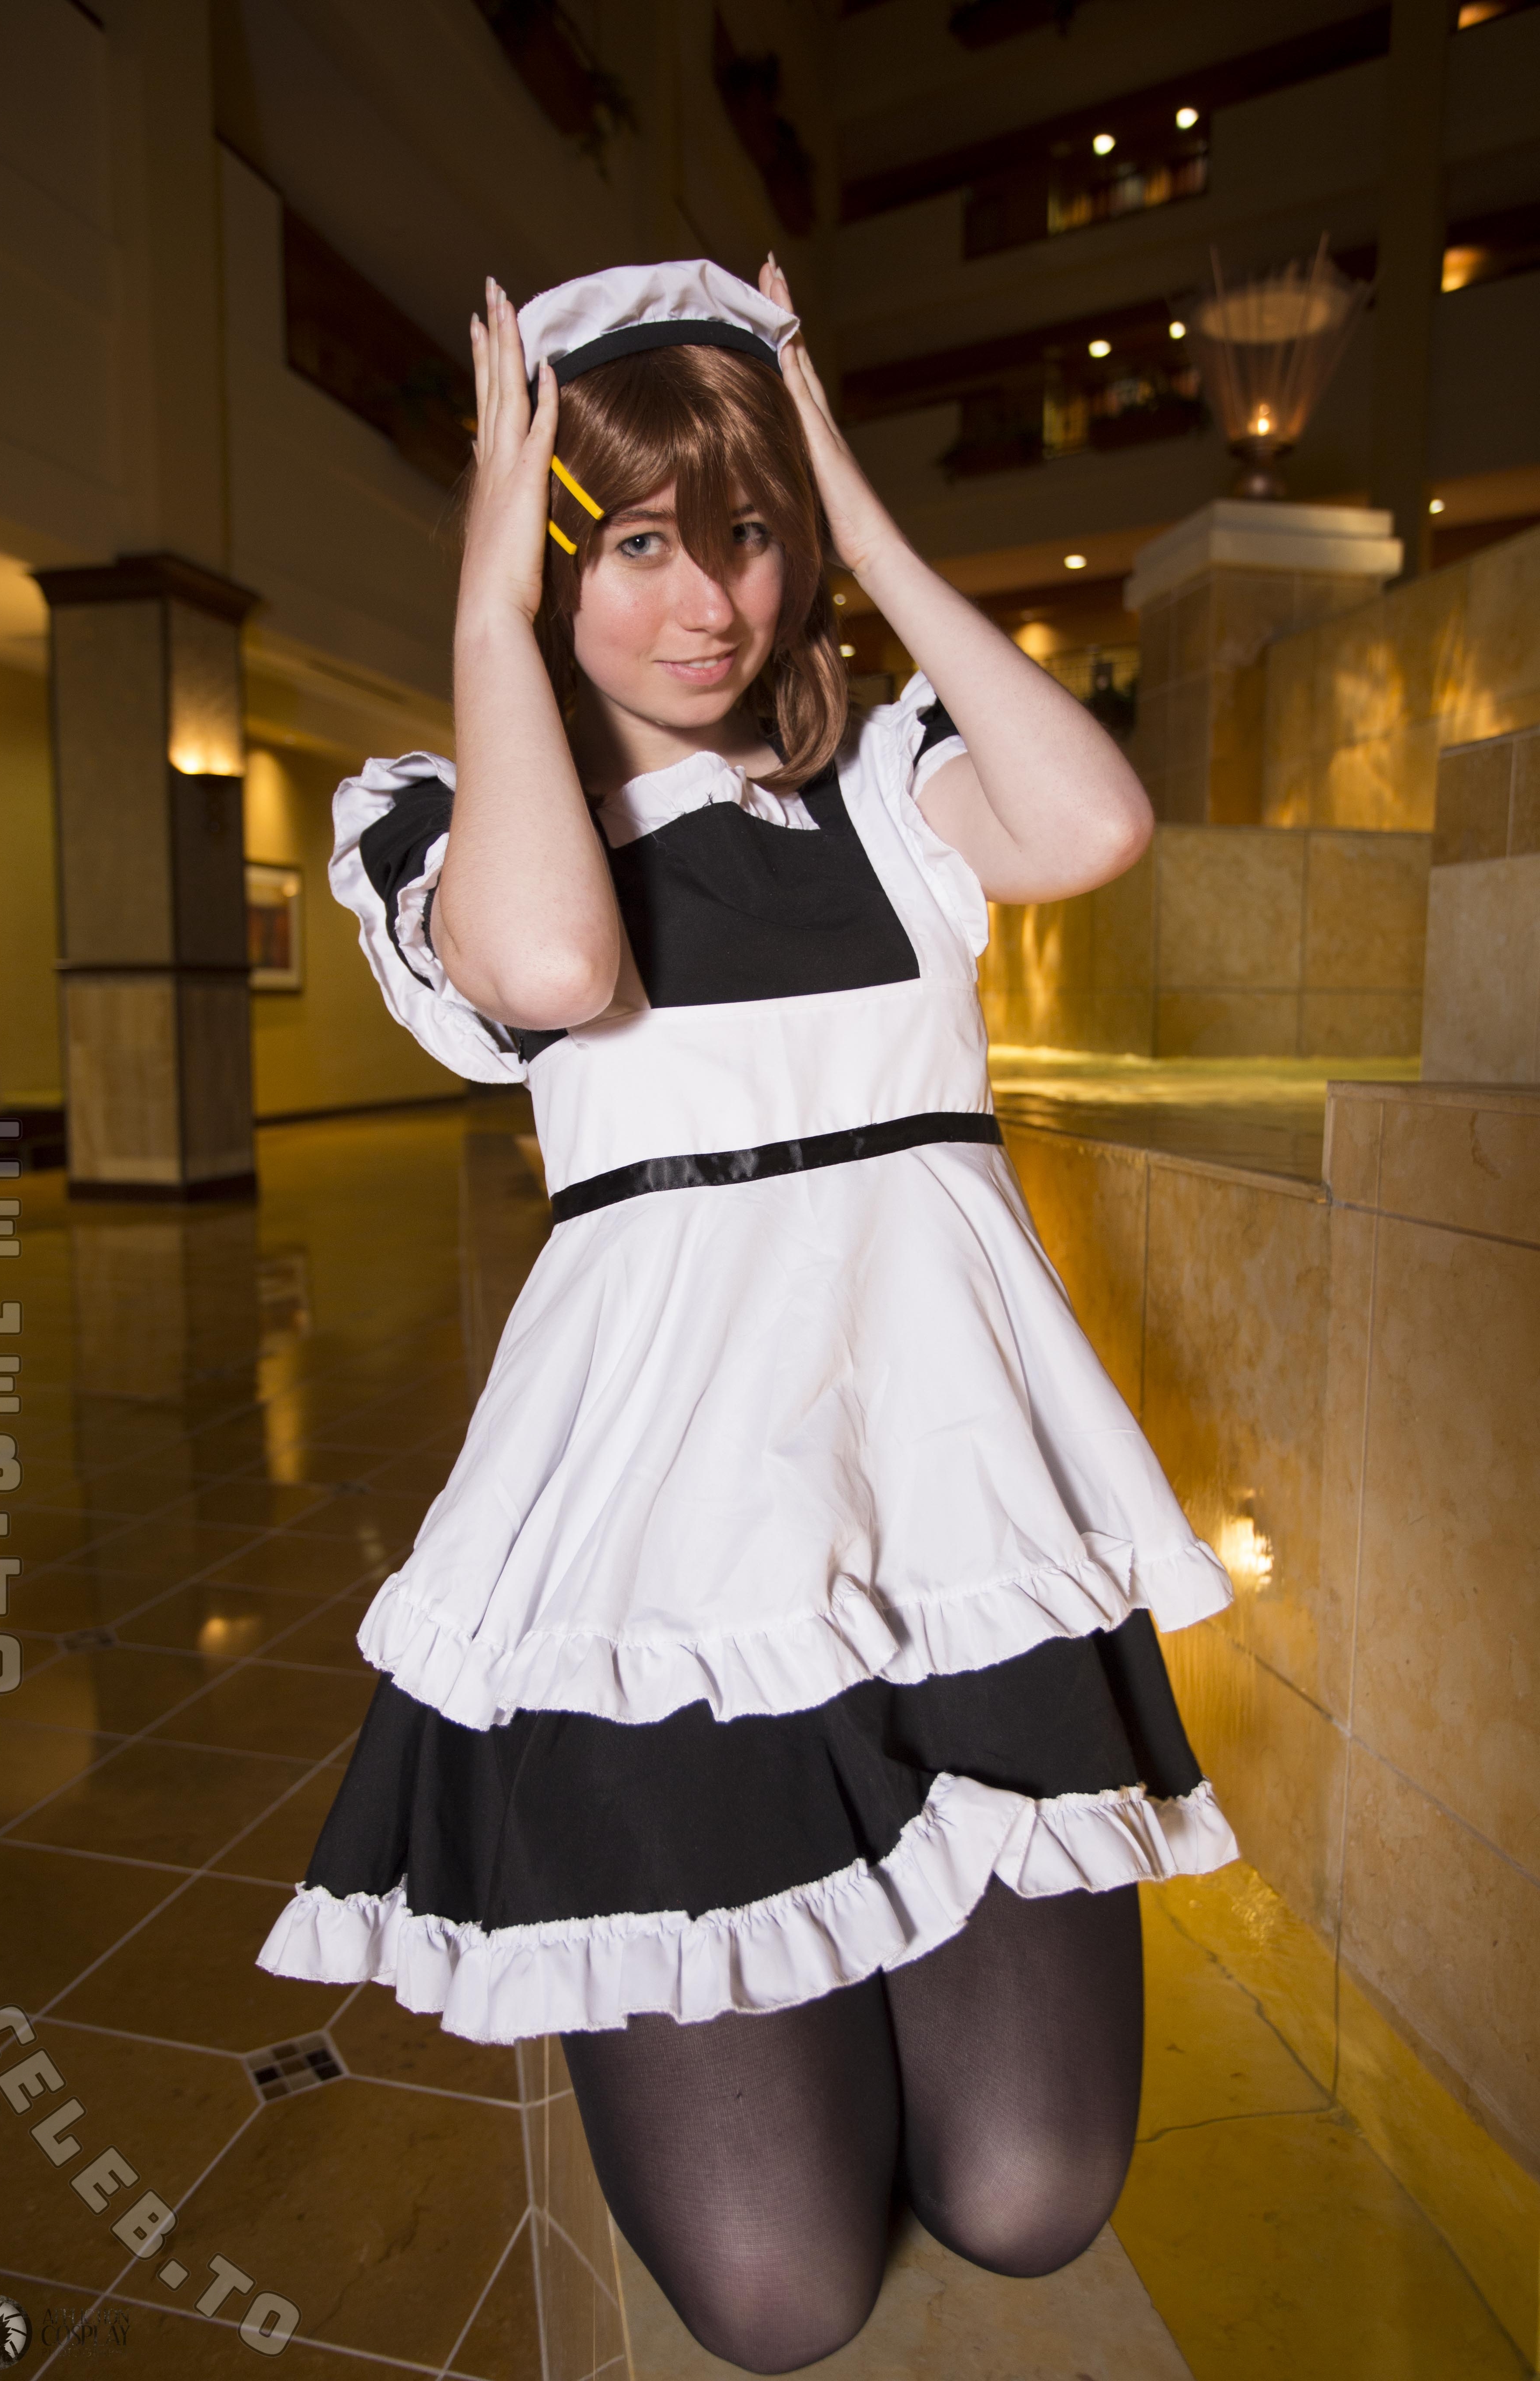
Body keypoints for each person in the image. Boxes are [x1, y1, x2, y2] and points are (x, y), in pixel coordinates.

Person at [259, 258, 1237, 2375]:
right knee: (785, 2302)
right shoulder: (444, 823)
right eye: (634, 546)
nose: (709, 601)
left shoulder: (886, 786)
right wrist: (487, 600)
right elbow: (548, 971)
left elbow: (1097, 823)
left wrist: (857, 506)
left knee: (1032, 2202)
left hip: (953, 1524)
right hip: (669, 1565)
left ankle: (867, 1939)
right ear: (544, 563)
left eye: (750, 533)